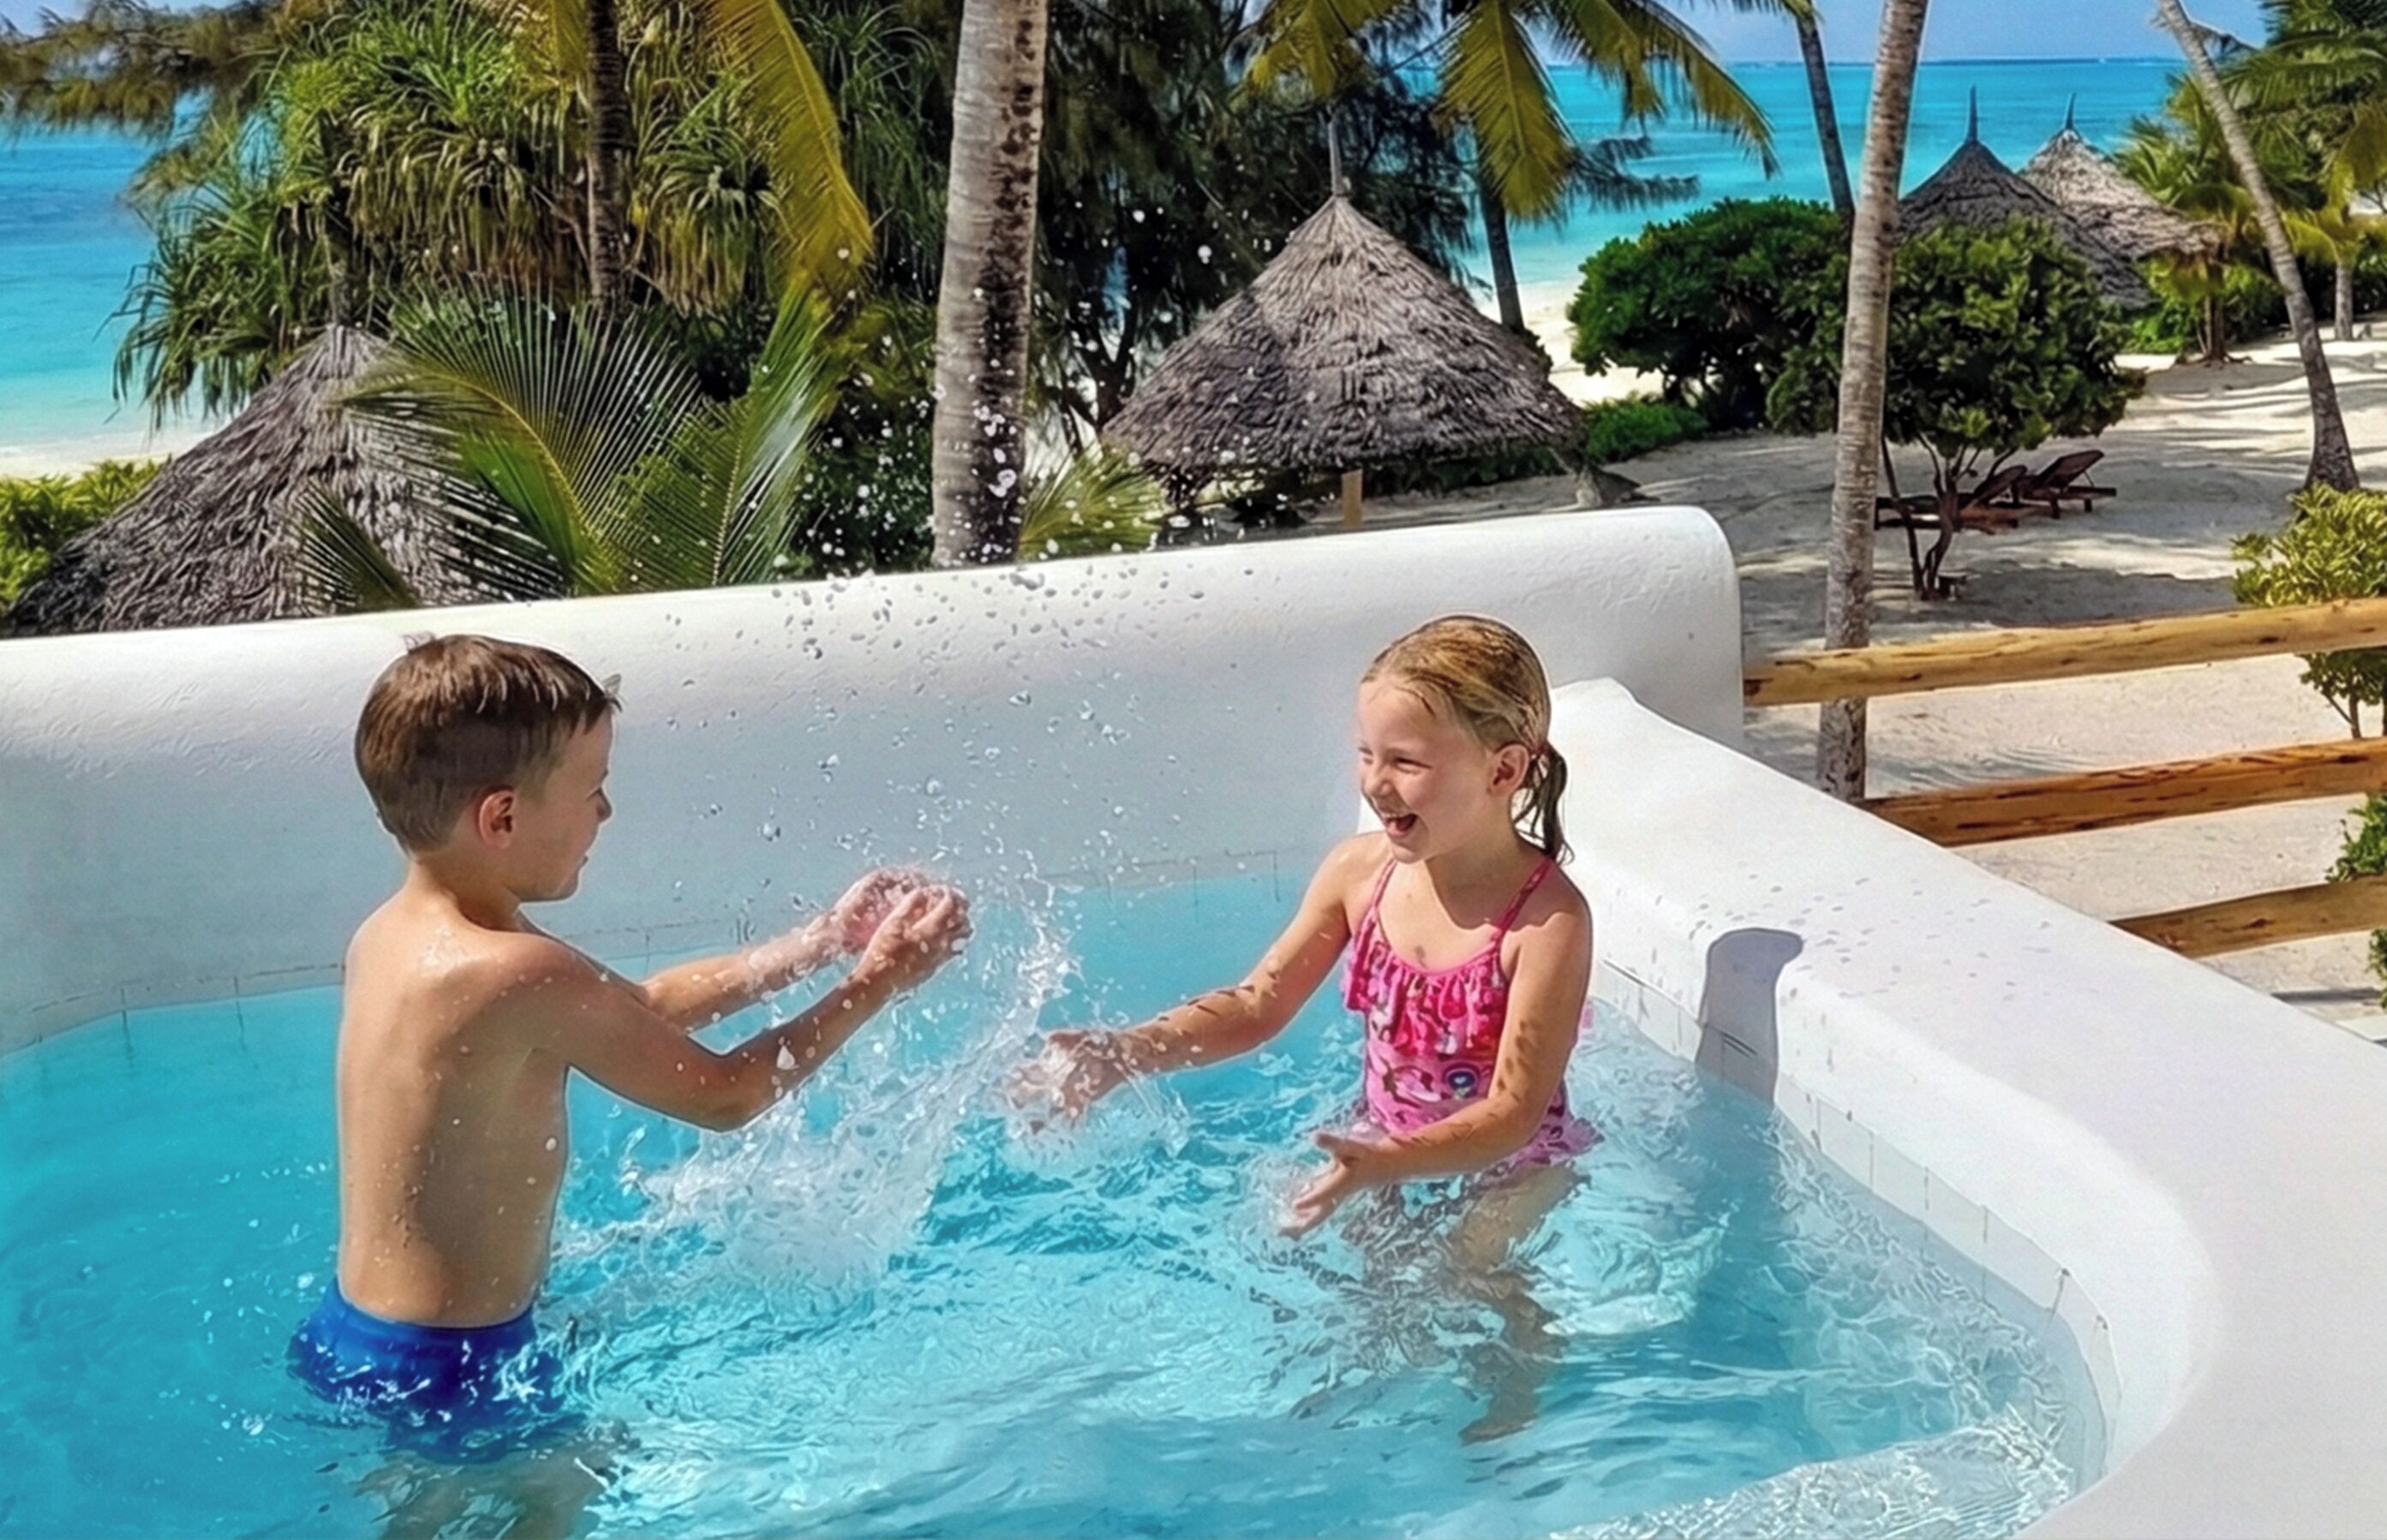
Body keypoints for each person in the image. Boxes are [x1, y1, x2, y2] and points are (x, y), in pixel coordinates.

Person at [295, 634, 971, 1441]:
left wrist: (822, 941)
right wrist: (877, 985)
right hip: (454, 1371)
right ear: (503, 816)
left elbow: (644, 1004)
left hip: (362, 1337)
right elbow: (727, 1096)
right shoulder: (514, 970)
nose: (606, 812)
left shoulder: (398, 936)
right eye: (593, 789)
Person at [1020, 614, 1594, 1235]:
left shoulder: (1544, 923)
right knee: (1358, 1286)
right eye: (1367, 754)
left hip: (1511, 1164)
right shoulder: (1358, 875)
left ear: (1503, 772)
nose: (1376, 783)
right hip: (1381, 1145)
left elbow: (1513, 1112)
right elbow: (1258, 1003)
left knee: (1473, 1272)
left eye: (1406, 761)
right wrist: (1128, 1050)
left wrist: (1390, 1163)